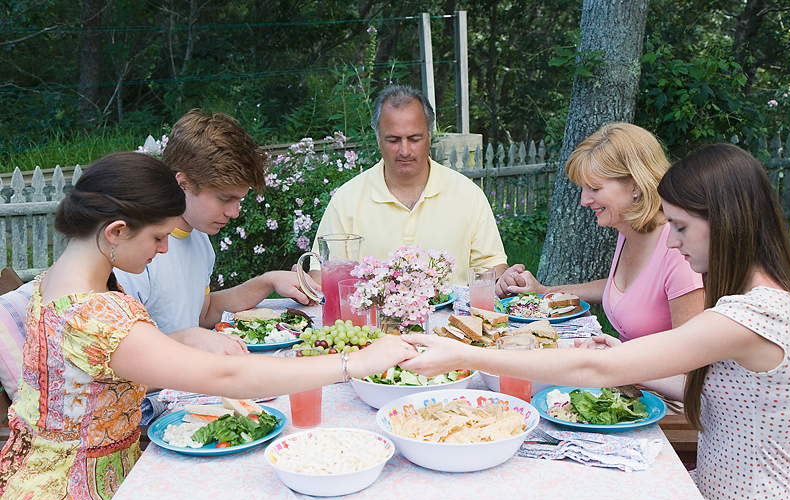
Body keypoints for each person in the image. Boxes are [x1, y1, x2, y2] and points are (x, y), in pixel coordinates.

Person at [0, 152, 410, 500]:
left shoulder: (57, 281)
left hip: (51, 480)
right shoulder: (95, 314)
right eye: (158, 237)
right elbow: (226, 374)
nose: (163, 249)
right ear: (116, 231)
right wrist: (353, 364)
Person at [403, 143, 790, 500]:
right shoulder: (754, 301)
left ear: (727, 221)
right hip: (706, 497)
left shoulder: (752, 315)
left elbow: (596, 368)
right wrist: (630, 358)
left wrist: (465, 356)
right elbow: (705, 385)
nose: (673, 240)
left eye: (681, 227)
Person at [115, 111, 320, 355]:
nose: (234, 212)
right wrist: (187, 340)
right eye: (225, 199)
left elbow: (203, 313)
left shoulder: (199, 238)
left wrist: (268, 281)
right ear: (183, 185)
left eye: (239, 200)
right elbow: (116, 356)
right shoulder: (134, 252)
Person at [497, 123, 704, 341]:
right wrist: (545, 290)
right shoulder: (628, 229)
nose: (584, 200)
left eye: (594, 188)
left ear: (635, 186)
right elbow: (629, 290)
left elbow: (692, 355)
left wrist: (612, 360)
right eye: (583, 188)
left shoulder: (678, 249)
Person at [309, 85, 508, 287]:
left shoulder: (468, 195)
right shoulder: (347, 200)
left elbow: (492, 269)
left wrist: (506, 281)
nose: (404, 150)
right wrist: (305, 282)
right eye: (393, 140)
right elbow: (321, 275)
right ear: (378, 140)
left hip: (454, 318)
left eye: (414, 139)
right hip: (370, 318)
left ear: (430, 136)